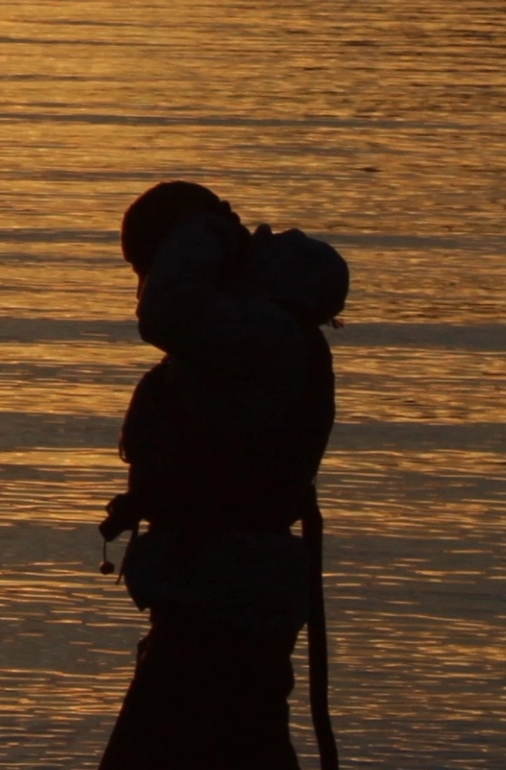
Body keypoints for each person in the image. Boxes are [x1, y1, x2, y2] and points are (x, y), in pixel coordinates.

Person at [96, 179, 347, 770]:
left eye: (148, 266)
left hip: (224, 611)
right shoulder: (245, 333)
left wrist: (201, 229)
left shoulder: (262, 335)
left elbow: (166, 311)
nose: (143, 287)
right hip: (217, 601)